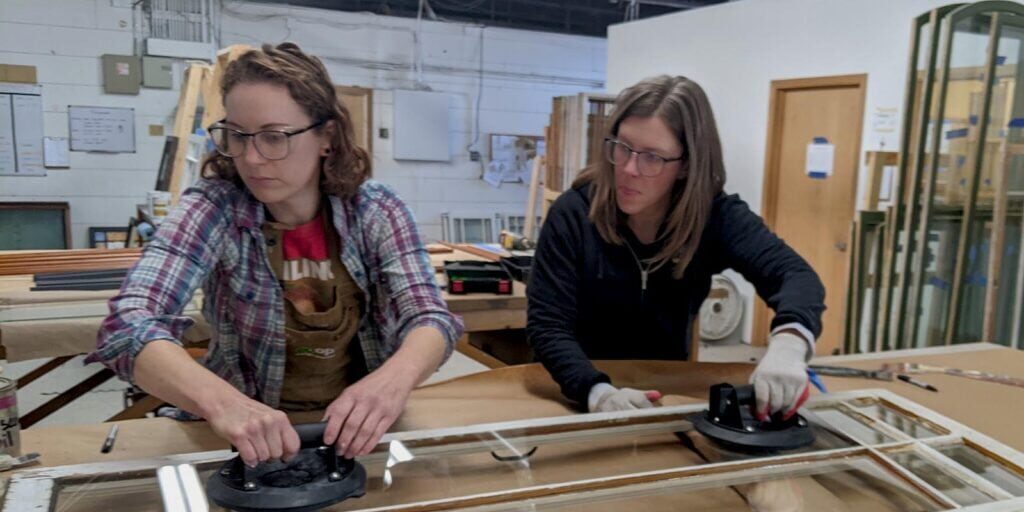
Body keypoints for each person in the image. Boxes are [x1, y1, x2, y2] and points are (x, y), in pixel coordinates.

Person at [87, 43, 462, 467]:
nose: (251, 158)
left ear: (327, 136)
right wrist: (224, 404)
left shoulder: (375, 210)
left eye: (274, 136)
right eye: (237, 134)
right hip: (242, 436)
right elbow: (128, 325)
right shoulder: (215, 208)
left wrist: (391, 383)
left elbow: (431, 318)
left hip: (356, 432)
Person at [526, 75, 825, 420]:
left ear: (686, 166)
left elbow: (795, 275)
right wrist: (598, 393)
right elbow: (548, 325)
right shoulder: (574, 213)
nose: (628, 168)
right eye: (622, 146)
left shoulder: (715, 216)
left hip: (662, 393)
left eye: (652, 157)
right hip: (574, 391)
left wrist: (789, 343)